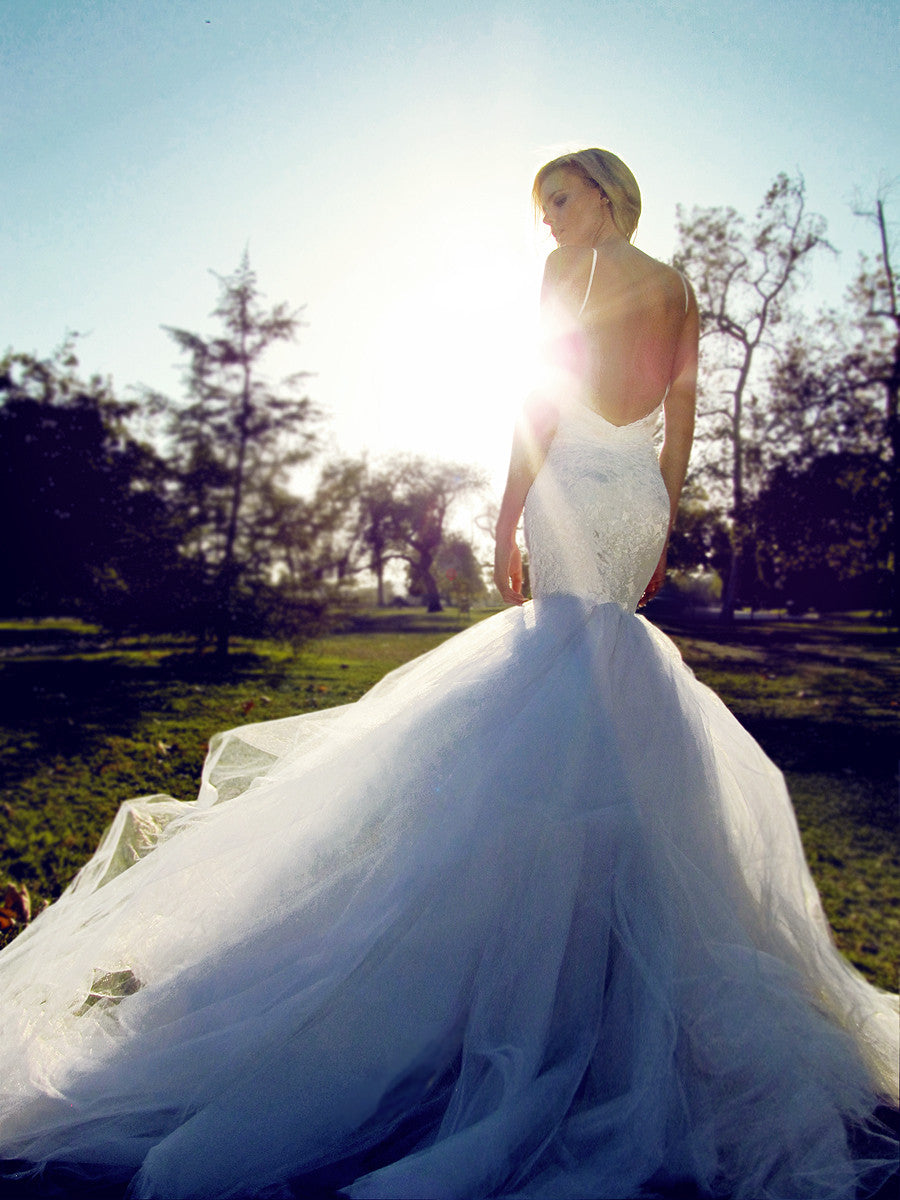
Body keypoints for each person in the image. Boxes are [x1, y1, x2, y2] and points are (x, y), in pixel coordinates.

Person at [0, 150, 896, 1200]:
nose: (549, 223)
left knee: (551, 675)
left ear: (605, 193)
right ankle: (598, 964)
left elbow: (541, 400)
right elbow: (682, 410)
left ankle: (524, 959)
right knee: (605, 680)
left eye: (559, 200)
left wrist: (510, 513)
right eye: (543, 208)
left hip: (573, 479)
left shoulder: (580, 274)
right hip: (638, 494)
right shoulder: (679, 284)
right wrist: (665, 510)